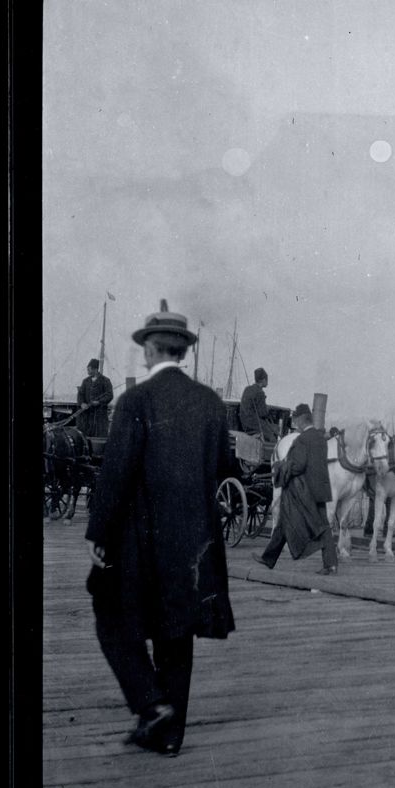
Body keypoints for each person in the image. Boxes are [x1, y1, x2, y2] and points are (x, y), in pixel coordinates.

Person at [84, 301, 235, 756]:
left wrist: (99, 534)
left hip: (140, 540)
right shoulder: (210, 403)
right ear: (183, 351)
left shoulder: (135, 401)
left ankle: (151, 703)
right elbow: (224, 467)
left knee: (110, 615)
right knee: (177, 630)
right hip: (195, 544)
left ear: (150, 349)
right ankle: (168, 737)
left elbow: (116, 474)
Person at [257, 403, 337, 573]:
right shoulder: (320, 438)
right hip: (320, 490)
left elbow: (298, 466)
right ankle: (268, 558)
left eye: (296, 420)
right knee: (314, 524)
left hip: (303, 492)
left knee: (295, 520)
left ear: (301, 420)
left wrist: (282, 467)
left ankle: (329, 565)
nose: (295, 424)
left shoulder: (302, 439)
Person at [76, 358, 114, 438]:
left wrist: (99, 402)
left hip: (100, 416)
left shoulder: (105, 380)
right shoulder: (85, 381)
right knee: (85, 437)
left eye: (89, 369)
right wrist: (82, 403)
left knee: (99, 436)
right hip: (87, 415)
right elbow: (80, 394)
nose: (87, 371)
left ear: (95, 369)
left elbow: (109, 395)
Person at [239, 368, 273, 441]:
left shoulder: (247, 389)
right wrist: (267, 410)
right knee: (272, 436)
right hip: (253, 424)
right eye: (266, 380)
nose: (267, 382)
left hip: (244, 422)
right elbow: (263, 413)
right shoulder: (260, 392)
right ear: (263, 380)